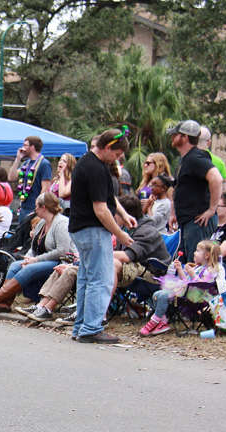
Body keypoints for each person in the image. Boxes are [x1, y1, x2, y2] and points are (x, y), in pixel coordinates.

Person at [68, 127, 135, 344]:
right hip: (93, 229)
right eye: (116, 155)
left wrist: (123, 214)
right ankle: (91, 328)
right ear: (107, 148)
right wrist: (120, 234)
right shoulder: (95, 168)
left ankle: (81, 327)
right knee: (101, 280)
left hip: (80, 228)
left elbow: (109, 198)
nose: (116, 160)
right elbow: (101, 209)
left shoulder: (88, 163)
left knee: (87, 279)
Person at [0, 192, 71, 313]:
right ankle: (5, 303)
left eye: (37, 206)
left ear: (43, 207)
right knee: (16, 265)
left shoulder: (61, 223)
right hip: (43, 259)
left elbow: (62, 251)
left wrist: (35, 260)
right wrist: (28, 258)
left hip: (59, 261)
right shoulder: (42, 223)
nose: (35, 209)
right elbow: (33, 246)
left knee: (29, 269)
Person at [166, 120, 224, 258]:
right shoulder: (185, 158)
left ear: (185, 137)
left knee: (196, 266)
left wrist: (211, 210)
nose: (172, 137)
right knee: (186, 265)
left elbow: (217, 179)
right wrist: (173, 213)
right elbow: (179, 188)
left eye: (175, 134)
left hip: (198, 222)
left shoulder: (196, 158)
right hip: (188, 221)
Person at [140, 240, 222, 336]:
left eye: (198, 251)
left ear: (207, 255)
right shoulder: (197, 267)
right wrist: (179, 269)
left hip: (196, 297)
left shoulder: (209, 270)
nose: (194, 253)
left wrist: (193, 275)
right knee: (156, 294)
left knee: (163, 296)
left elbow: (202, 286)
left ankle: (154, 321)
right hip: (186, 291)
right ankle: (162, 322)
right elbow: (186, 281)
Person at [113, 193, 171, 289]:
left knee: (112, 264)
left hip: (152, 275)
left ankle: (103, 304)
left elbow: (127, 256)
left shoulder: (147, 231)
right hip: (135, 267)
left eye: (117, 212)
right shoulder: (125, 227)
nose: (114, 215)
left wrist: (96, 255)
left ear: (127, 214)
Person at [8, 136, 52, 223]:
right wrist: (18, 159)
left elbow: (45, 189)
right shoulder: (27, 163)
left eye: (25, 145)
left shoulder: (44, 164)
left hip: (34, 208)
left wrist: (38, 208)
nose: (22, 148)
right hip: (23, 207)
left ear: (32, 147)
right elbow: (11, 177)